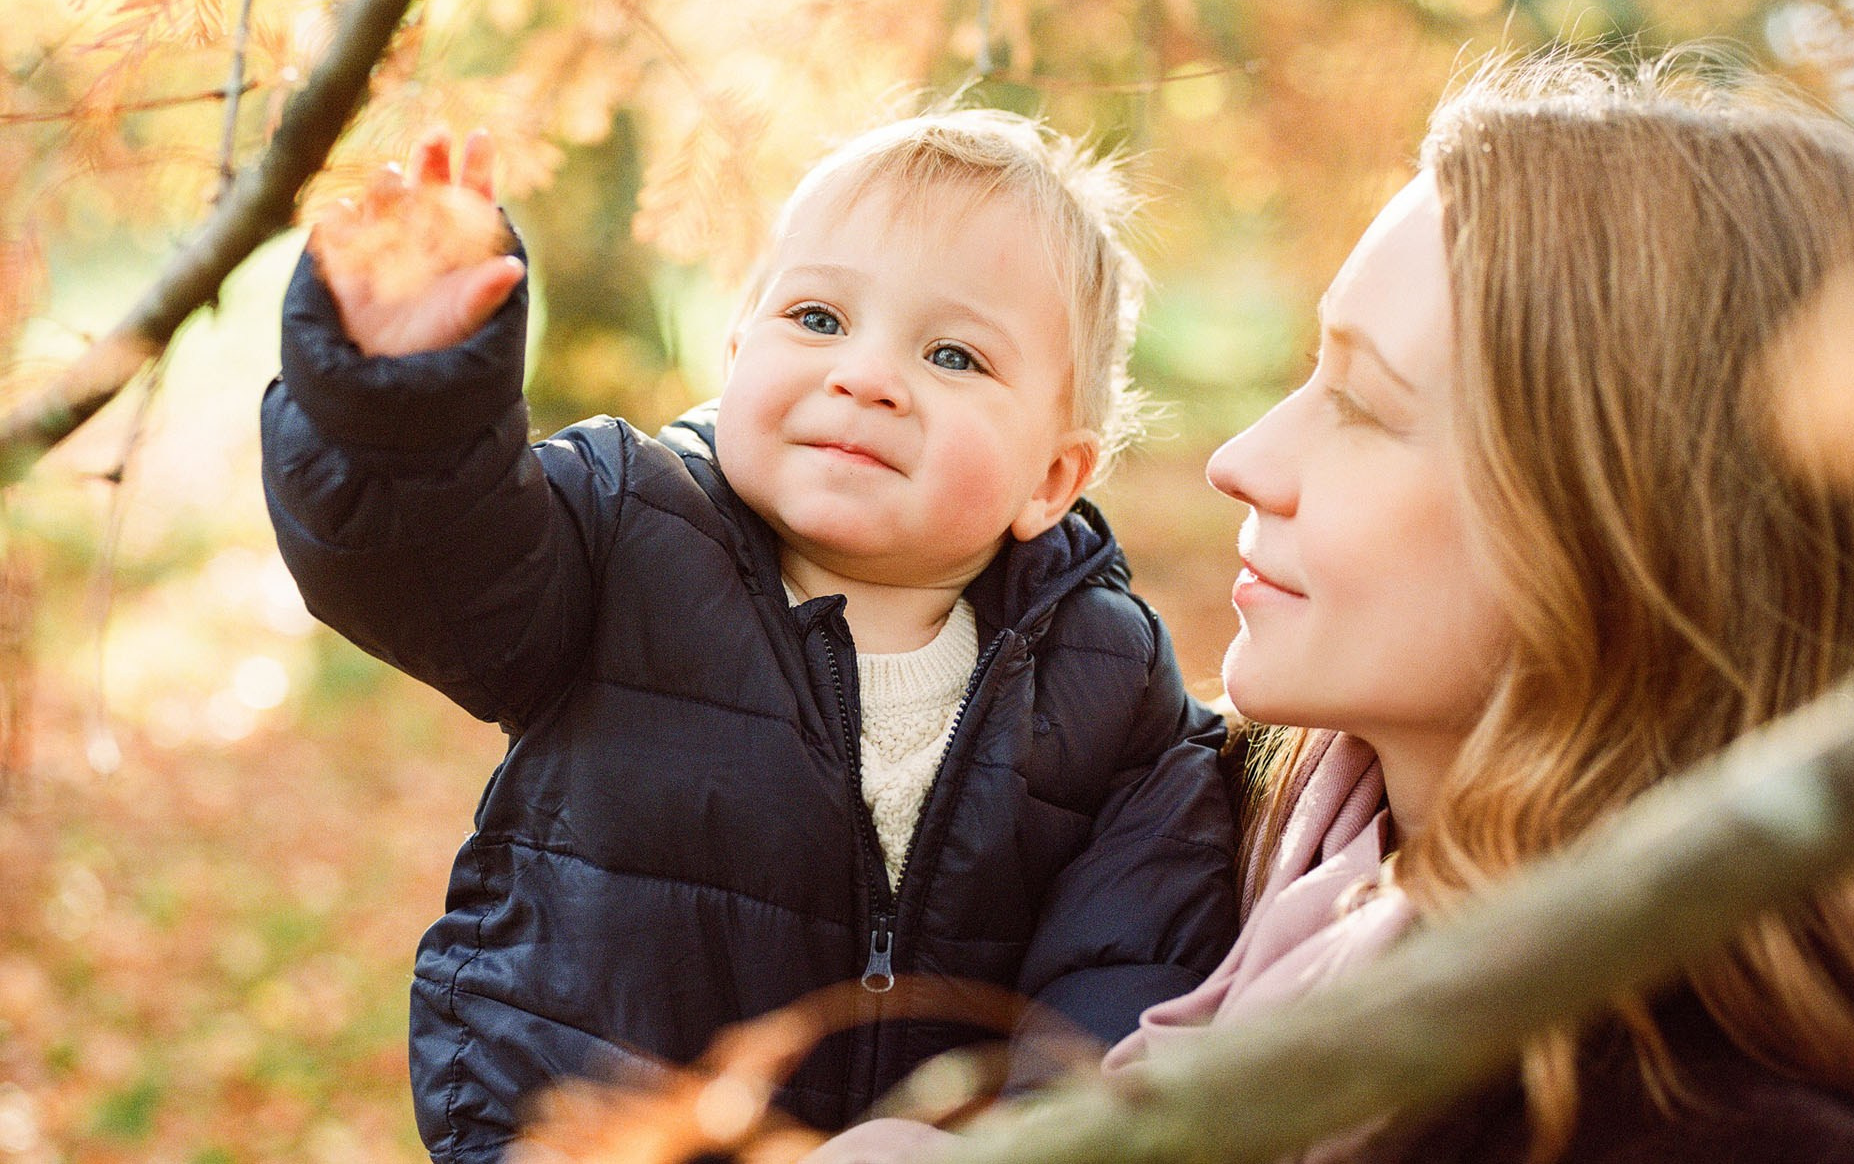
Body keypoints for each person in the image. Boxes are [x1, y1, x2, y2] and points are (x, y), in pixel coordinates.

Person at [812, 54, 1854, 1163]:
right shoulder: (1168, 845)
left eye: (1364, 404)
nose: (1244, 460)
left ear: (1629, 534)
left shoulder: (1715, 1132)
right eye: (1308, 372)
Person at [259, 108, 1240, 1164]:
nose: (865, 375)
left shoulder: (1108, 679)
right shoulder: (622, 530)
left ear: (1053, 477)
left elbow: (1128, 964)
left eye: (952, 353)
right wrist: (402, 399)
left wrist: (1016, 1140)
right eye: (819, 318)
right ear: (737, 349)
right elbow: (426, 565)